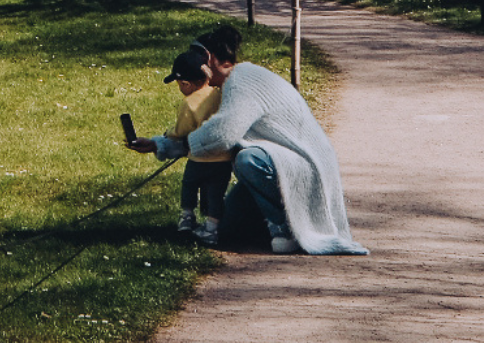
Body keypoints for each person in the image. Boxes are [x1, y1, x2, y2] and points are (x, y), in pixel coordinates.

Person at [130, 26, 366, 255]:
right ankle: (272, 221)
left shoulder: (243, 80)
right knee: (228, 230)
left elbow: (222, 134)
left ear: (209, 59)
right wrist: (158, 144)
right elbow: (210, 130)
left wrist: (178, 145)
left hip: (303, 166)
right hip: (280, 163)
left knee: (247, 159)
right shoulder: (231, 84)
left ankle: (285, 229)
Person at [161, 47, 232, 246]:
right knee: (216, 194)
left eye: (179, 84)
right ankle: (212, 228)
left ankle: (187, 216)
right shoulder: (219, 94)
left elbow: (182, 130)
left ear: (186, 83)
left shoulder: (189, 103)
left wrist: (168, 134)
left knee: (189, 186)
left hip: (199, 158)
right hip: (223, 159)